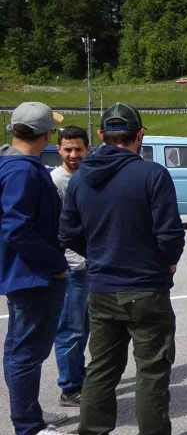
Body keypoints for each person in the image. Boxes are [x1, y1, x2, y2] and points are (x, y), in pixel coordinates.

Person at [60, 102, 187, 435]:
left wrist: (101, 255)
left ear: (101, 136)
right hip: (144, 287)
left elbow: (68, 233)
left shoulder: (80, 179)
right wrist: (165, 262)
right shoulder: (152, 175)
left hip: (101, 286)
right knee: (152, 369)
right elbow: (170, 234)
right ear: (140, 136)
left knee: (101, 369)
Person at [0, 101, 79, 435]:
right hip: (32, 276)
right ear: (45, 134)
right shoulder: (23, 172)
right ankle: (29, 429)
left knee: (22, 349)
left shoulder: (10, 165)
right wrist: (54, 262)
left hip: (25, 274)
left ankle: (29, 414)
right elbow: (15, 229)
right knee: (26, 351)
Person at [50, 126, 90, 407]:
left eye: (78, 149)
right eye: (68, 149)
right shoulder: (55, 181)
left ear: (87, 149)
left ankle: (78, 374)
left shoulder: (90, 177)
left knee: (86, 327)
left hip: (93, 265)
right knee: (71, 329)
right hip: (71, 268)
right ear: (59, 149)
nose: (73, 154)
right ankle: (70, 387)